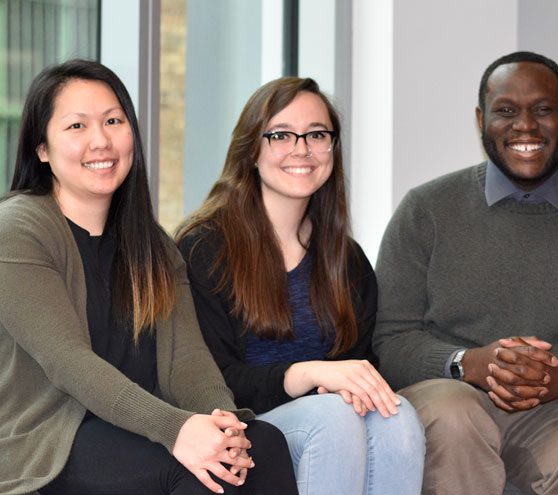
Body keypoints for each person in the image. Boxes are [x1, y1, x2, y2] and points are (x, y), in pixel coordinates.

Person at [0, 60, 297, 495]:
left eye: (113, 121)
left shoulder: (154, 246)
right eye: (76, 126)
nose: (101, 140)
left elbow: (188, 364)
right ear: (42, 148)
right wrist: (177, 429)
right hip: (31, 448)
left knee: (265, 446)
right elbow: (69, 362)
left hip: (122, 435)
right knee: (191, 470)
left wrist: (225, 427)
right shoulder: (15, 230)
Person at [373, 51, 558, 495]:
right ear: (480, 119)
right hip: (448, 395)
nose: (524, 126)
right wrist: (468, 364)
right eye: (506, 111)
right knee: (454, 416)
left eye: (542, 110)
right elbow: (390, 340)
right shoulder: (425, 210)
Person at [177, 77, 425, 495]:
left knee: (396, 417)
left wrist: (335, 383)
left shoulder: (346, 259)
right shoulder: (204, 247)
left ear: (333, 148)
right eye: (281, 135)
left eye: (316, 134)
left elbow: (358, 364)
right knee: (333, 419)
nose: (301, 149)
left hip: (329, 425)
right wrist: (304, 375)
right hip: (246, 428)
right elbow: (206, 381)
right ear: (250, 150)